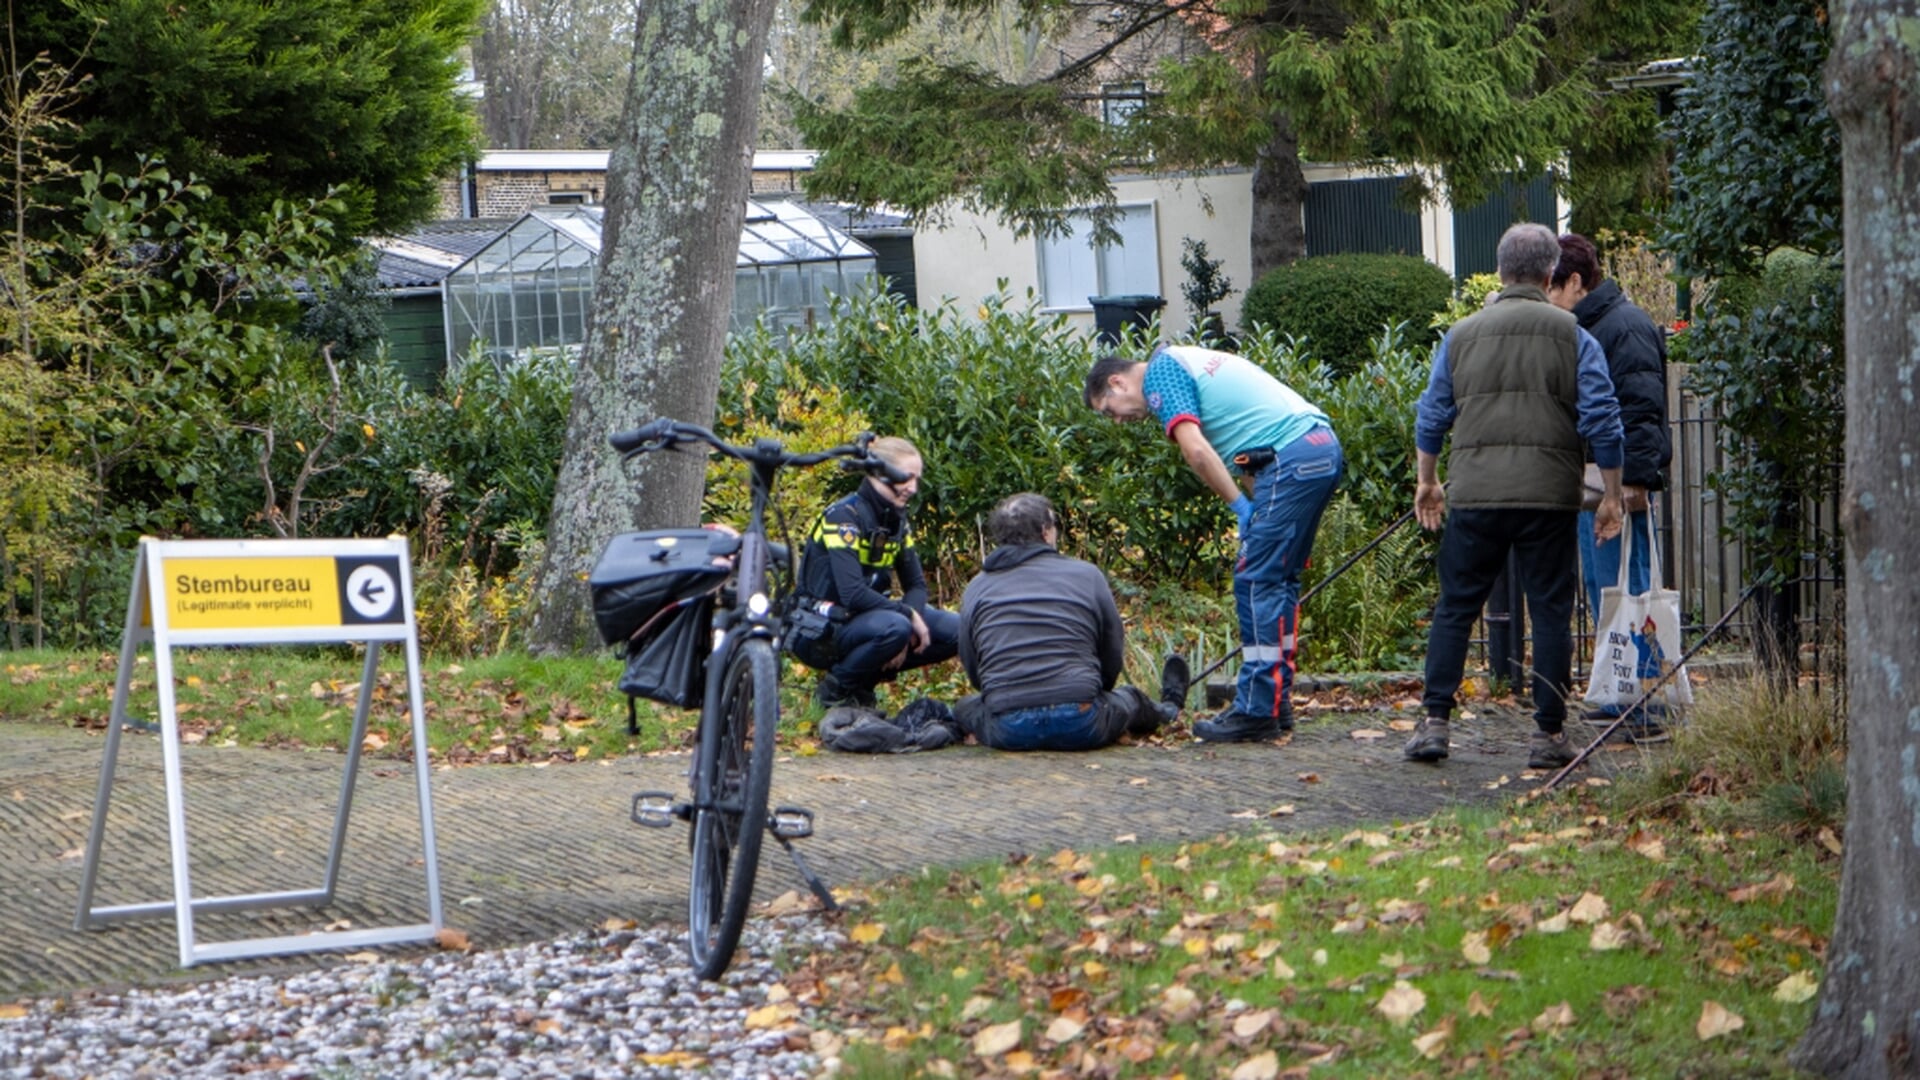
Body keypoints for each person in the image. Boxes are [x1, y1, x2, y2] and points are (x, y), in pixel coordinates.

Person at [1406, 222, 1626, 770]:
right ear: (1551, 271)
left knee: (1456, 606)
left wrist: (1428, 480)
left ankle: (1435, 723)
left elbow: (1432, 414)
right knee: (1550, 611)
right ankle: (1547, 736)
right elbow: (1603, 418)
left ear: (1501, 271)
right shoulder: (1574, 335)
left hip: (1477, 493)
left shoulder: (1461, 335)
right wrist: (1613, 495)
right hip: (1549, 497)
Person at [1084, 344, 1343, 743]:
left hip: (1293, 458)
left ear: (1117, 382)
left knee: (1256, 580)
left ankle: (1257, 712)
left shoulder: (1161, 375)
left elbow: (1197, 452)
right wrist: (1254, 505)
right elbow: (1247, 457)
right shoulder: (1188, 364)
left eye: (1108, 409)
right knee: (1279, 579)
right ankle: (1276, 702)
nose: (1116, 421)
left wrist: (1240, 507)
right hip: (1315, 449)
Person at [1549, 233, 1674, 742]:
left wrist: (1633, 485)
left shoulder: (1622, 327)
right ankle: (1618, 692)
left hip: (1614, 488)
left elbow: (1641, 411)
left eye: (1550, 287)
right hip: (1597, 485)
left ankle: (1646, 704)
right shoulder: (1599, 325)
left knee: (1633, 590)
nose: (1546, 298)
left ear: (1575, 282)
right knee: (1612, 593)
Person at [952, 493, 1189, 751]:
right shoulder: (1086, 574)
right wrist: (1098, 691)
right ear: (1045, 531)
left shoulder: (977, 587)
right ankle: (1169, 709)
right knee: (1131, 698)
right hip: (1082, 720)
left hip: (1009, 728)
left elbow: (973, 665)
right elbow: (1111, 651)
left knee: (964, 707)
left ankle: (945, 730)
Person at [791, 435, 959, 708]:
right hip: (820, 628)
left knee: (957, 630)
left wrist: (910, 624)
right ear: (879, 474)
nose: (913, 488)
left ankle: (864, 683)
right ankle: (834, 692)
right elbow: (852, 592)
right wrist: (905, 618)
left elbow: (916, 585)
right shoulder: (843, 517)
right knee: (896, 626)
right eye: (906, 478)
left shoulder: (895, 521)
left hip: (872, 619)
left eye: (917, 479)